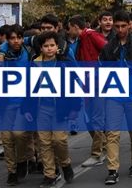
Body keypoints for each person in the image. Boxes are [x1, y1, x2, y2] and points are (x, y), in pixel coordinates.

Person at [22, 31, 78, 187]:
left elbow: (73, 87)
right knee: (44, 143)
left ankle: (65, 163)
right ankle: (50, 174)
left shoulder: (64, 63)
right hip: (41, 109)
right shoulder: (34, 64)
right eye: (46, 46)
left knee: (59, 140)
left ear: (57, 47)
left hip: (60, 108)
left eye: (52, 45)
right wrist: (26, 109)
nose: (49, 48)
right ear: (41, 48)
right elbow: (27, 88)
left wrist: (75, 107)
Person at [100, 11, 132, 184]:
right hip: (114, 95)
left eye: (123, 26)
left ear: (129, 25)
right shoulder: (107, 47)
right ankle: (112, 169)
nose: (120, 29)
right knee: (112, 133)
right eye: (117, 26)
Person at [67, 15, 108, 168]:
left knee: (95, 118)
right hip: (88, 83)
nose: (68, 31)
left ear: (75, 26)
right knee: (89, 118)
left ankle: (98, 153)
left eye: (69, 27)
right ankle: (104, 147)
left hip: (97, 82)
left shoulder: (90, 35)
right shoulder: (81, 39)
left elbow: (107, 48)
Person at [0, 25, 31, 185]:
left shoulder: (28, 51)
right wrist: (2, 52)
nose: (15, 41)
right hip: (5, 103)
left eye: (18, 37)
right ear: (7, 40)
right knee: (6, 139)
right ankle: (12, 171)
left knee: (18, 134)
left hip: (22, 103)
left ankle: (22, 160)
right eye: (12, 38)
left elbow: (39, 37)